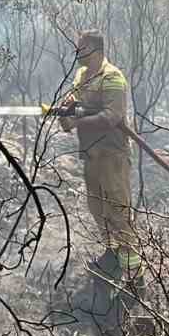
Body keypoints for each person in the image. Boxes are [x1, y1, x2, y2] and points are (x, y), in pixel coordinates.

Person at [57, 31, 140, 284]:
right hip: (91, 154)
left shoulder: (112, 77)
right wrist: (65, 111)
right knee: (97, 208)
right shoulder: (82, 76)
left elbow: (112, 116)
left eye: (82, 49)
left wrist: (78, 119)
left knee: (118, 208)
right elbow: (73, 102)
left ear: (96, 50)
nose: (77, 54)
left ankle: (133, 269)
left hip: (112, 155)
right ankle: (112, 253)